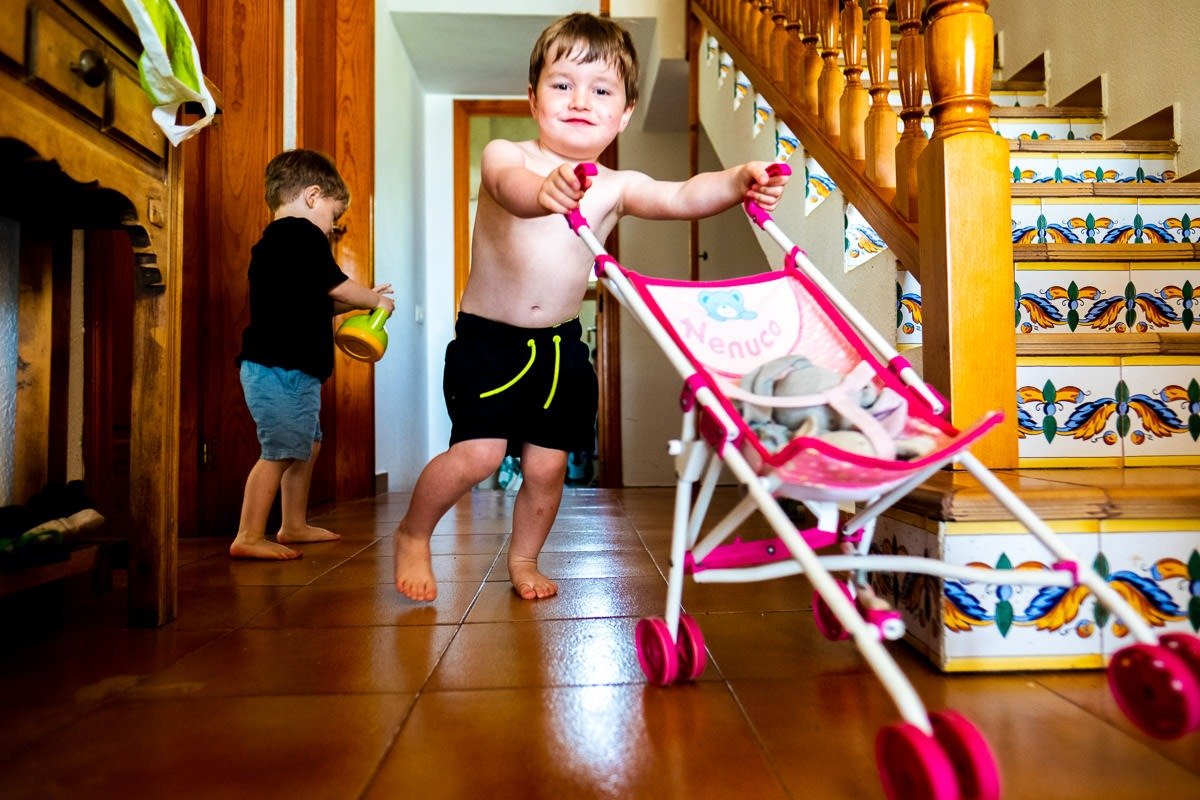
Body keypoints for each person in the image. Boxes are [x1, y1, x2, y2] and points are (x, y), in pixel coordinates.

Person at [394, 12, 790, 601]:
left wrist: (737, 180)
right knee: (478, 456)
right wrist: (543, 190)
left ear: (624, 112)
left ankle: (524, 560)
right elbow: (511, 189)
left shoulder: (616, 184)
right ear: (533, 98)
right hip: (489, 342)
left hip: (559, 346)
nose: (580, 100)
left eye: (601, 90)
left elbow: (680, 196)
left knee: (547, 468)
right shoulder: (508, 154)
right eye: (562, 85)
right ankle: (412, 534)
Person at [230, 149, 395, 560]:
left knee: (306, 445)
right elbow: (337, 286)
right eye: (333, 217)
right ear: (312, 196)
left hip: (293, 371)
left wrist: (362, 303)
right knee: (281, 451)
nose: (332, 227)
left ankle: (293, 524)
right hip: (277, 369)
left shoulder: (282, 245)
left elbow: (324, 299)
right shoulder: (299, 235)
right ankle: (248, 535)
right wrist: (373, 299)